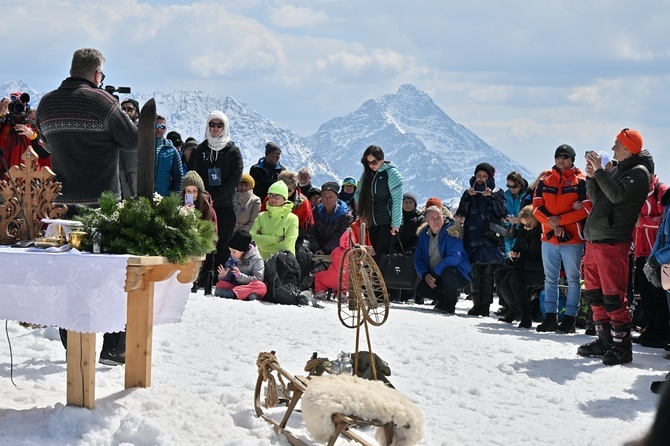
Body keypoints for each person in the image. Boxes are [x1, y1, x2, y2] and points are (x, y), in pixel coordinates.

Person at [36, 47, 138, 366]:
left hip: (61, 208)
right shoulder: (102, 102)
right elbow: (133, 140)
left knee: (70, 277)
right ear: (96, 74)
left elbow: (46, 144)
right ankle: (113, 346)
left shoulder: (46, 104)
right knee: (110, 274)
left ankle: (75, 345)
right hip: (101, 205)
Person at [578, 129, 653, 366]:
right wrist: (592, 177)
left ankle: (622, 347)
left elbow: (617, 196)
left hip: (612, 241)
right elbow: (600, 198)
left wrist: (601, 170)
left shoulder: (639, 173)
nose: (612, 150)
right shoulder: (621, 170)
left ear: (628, 148)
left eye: (616, 145)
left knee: (613, 295)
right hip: (596, 239)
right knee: (595, 293)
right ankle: (604, 340)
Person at [532, 144, 590, 334]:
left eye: (565, 156)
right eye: (558, 156)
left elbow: (586, 209)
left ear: (572, 159)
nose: (561, 159)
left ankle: (570, 319)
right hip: (549, 238)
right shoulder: (545, 180)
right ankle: (550, 317)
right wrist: (554, 225)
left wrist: (561, 221)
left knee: (573, 279)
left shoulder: (581, 181)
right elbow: (536, 207)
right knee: (550, 279)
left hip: (572, 240)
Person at [189, 110, 243, 268]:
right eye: (212, 124)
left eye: (219, 125)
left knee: (223, 244)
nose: (215, 128)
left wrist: (213, 197)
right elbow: (193, 176)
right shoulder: (199, 150)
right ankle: (201, 275)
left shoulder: (233, 152)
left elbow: (235, 179)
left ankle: (219, 278)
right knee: (201, 240)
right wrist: (201, 198)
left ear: (224, 127)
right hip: (202, 205)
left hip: (225, 206)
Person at [455, 162, 507, 316]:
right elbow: (460, 214)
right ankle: (476, 302)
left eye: (485, 176)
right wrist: (466, 197)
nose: (481, 178)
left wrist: (492, 196)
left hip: (490, 238)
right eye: (479, 175)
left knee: (488, 273)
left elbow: (502, 212)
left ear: (490, 177)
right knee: (476, 272)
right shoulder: (468, 193)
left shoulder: (498, 192)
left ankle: (486, 305)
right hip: (473, 237)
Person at [632, 172, 668, 348]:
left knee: (659, 295)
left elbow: (665, 221)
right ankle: (651, 330)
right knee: (647, 295)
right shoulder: (635, 193)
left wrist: (643, 221)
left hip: (658, 253)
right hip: (641, 251)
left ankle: (661, 333)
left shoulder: (661, 191)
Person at [414, 205, 471, 314]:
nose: (436, 221)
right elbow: (418, 258)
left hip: (458, 275)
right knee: (422, 289)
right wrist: (425, 274)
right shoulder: (423, 235)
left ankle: (450, 303)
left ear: (443, 218)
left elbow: (455, 257)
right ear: (427, 221)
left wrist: (435, 273)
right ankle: (443, 299)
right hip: (436, 274)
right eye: (432, 218)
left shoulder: (451, 231)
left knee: (448, 272)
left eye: (438, 217)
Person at [494, 205, 544, 328]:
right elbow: (517, 250)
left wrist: (521, 259)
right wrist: (513, 256)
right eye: (523, 225)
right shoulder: (522, 233)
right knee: (504, 281)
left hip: (539, 270)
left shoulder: (542, 235)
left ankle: (525, 316)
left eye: (528, 225)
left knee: (516, 279)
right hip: (523, 267)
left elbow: (541, 261)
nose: (526, 228)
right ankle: (514, 309)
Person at [354, 145, 403, 259]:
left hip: (388, 221)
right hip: (372, 222)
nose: (371, 165)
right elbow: (358, 194)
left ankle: (386, 277)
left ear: (381, 158)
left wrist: (395, 224)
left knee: (383, 256)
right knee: (374, 256)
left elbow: (397, 200)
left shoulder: (392, 173)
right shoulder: (367, 174)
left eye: (374, 162)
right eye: (368, 162)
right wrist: (364, 212)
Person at [181, 170, 218, 293]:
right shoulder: (180, 205)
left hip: (202, 241)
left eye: (195, 190)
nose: (192, 194)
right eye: (188, 191)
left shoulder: (207, 208)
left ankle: (203, 281)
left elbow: (212, 230)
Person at [0, 93, 50, 175]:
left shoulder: (33, 127)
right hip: (5, 178)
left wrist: (33, 136)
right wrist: (0, 114)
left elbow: (46, 154)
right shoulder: (3, 125)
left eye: (21, 104)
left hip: (29, 179)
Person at [250, 180, 299, 259]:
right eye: (271, 195)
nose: (273, 199)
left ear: (284, 198)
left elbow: (287, 245)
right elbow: (252, 239)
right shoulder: (261, 216)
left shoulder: (292, 219)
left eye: (277, 196)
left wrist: (261, 247)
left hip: (283, 263)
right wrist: (276, 239)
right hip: (259, 262)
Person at [214, 230, 267, 301]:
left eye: (234, 251)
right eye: (230, 251)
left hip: (249, 286)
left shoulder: (257, 259)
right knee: (220, 284)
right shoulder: (233, 259)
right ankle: (247, 295)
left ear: (242, 251)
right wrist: (224, 276)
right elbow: (229, 280)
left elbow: (259, 278)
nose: (231, 254)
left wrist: (240, 276)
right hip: (237, 286)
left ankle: (233, 294)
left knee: (261, 286)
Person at [307, 181, 354, 255]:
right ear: (321, 198)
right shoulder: (315, 212)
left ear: (337, 198)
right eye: (325, 197)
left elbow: (340, 236)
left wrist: (324, 250)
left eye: (330, 197)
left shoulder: (346, 216)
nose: (327, 200)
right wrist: (316, 249)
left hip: (335, 250)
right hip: (315, 249)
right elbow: (311, 232)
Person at [154, 115, 183, 197]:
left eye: (162, 127)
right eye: (156, 126)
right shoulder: (142, 146)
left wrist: (174, 198)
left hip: (164, 198)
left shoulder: (172, 151)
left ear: (166, 129)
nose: (159, 129)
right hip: (143, 197)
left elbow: (178, 176)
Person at [119, 98, 139, 199]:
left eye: (129, 109)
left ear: (137, 113)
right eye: (123, 109)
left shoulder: (141, 130)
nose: (126, 112)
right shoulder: (115, 129)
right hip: (119, 174)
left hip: (136, 174)